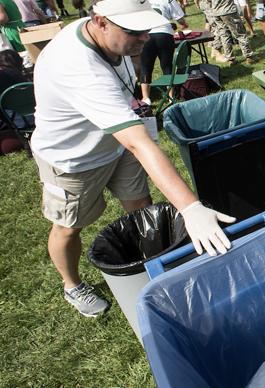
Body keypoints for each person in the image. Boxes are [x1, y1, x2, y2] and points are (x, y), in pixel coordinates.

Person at [30, 0, 236, 318]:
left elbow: (129, 111)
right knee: (68, 227)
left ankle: (153, 274)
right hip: (74, 158)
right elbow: (140, 145)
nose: (144, 38)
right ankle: (72, 285)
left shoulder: (111, 40)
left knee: (142, 211)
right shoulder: (79, 67)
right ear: (100, 22)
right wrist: (191, 208)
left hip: (116, 144)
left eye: (146, 29)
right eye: (134, 31)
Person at [139, 0, 188, 106]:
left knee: (145, 67)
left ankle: (146, 98)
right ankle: (171, 96)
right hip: (164, 34)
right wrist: (184, 24)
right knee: (167, 66)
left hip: (146, 34)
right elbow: (179, 18)